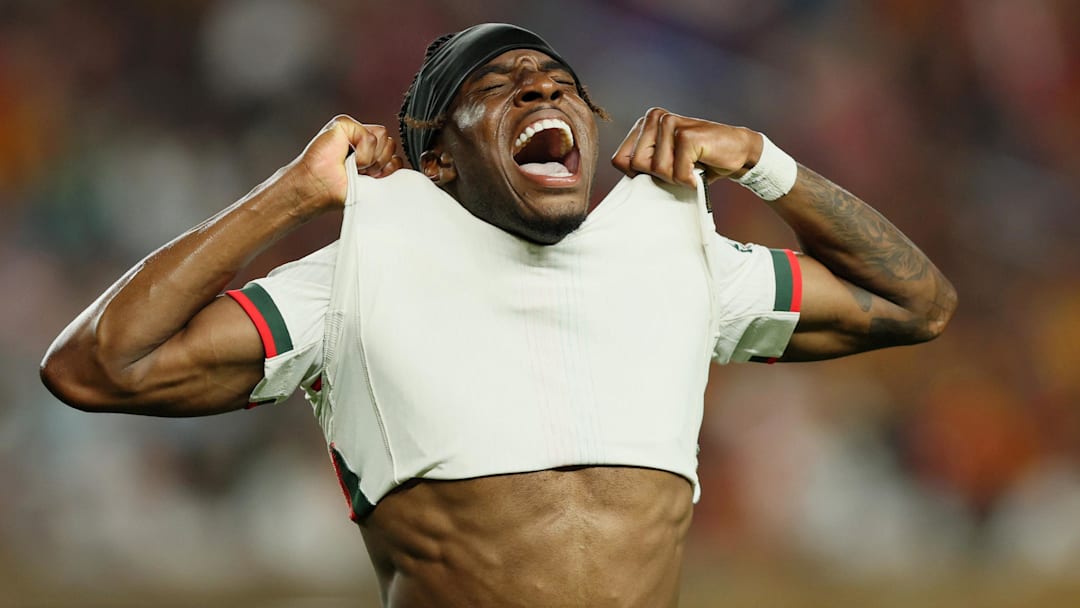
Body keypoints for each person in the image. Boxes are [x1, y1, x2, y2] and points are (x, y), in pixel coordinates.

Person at [40, 23, 956, 608]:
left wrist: (766, 162)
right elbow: (96, 367)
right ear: (435, 160)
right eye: (500, 84)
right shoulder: (357, 274)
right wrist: (291, 194)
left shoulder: (680, 259)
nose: (543, 91)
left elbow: (918, 304)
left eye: (557, 81)